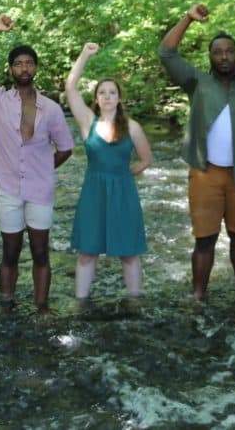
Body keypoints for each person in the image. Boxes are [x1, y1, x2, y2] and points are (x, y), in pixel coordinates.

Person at [158, 4, 235, 301]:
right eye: (218, 52)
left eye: (229, 51)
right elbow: (166, 53)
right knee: (205, 239)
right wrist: (187, 17)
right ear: (210, 57)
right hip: (205, 172)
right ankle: (198, 297)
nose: (224, 56)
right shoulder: (198, 82)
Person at [0, 14, 74, 313]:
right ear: (10, 69)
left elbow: (66, 148)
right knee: (10, 252)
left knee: (40, 252)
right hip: (8, 188)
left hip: (40, 190)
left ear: (35, 68)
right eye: (18, 63)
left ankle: (41, 307)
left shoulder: (50, 109)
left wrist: (44, 168)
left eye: (29, 63)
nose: (24, 67)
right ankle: (6, 305)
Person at [65, 43, 153, 300]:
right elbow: (70, 87)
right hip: (93, 194)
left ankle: (134, 303)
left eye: (112, 92)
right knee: (87, 253)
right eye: (102, 92)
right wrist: (84, 55)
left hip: (123, 194)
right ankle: (80, 304)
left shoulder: (133, 127)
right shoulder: (87, 122)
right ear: (96, 99)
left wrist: (124, 176)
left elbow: (146, 159)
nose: (106, 96)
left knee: (129, 253)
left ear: (119, 98)